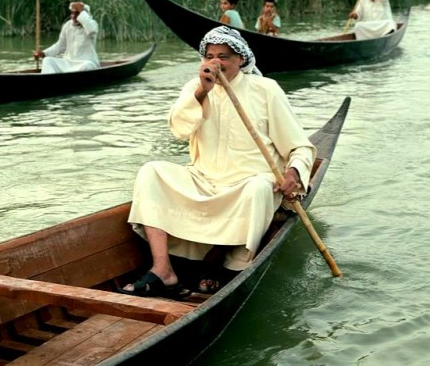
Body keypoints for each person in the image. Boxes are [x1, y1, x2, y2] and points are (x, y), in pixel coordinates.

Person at [118, 26, 316, 299]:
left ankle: (220, 262)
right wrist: (202, 92)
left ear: (241, 60)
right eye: (209, 56)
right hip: (204, 179)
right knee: (151, 172)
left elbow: (300, 146)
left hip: (248, 181)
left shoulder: (265, 89)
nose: (215, 63)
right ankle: (163, 269)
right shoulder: (196, 88)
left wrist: (294, 171)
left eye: (223, 56)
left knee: (259, 189)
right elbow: (178, 129)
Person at [33, 1, 100, 74]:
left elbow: (91, 30)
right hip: (68, 63)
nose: (73, 16)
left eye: (77, 13)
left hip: (84, 62)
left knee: (87, 66)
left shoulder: (92, 25)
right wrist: (43, 53)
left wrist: (81, 10)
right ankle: (49, 81)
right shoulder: (67, 26)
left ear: (84, 14)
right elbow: (60, 46)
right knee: (48, 61)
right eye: (72, 13)